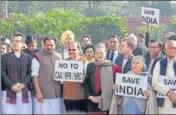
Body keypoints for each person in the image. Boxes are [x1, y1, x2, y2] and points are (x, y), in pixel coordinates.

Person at [84, 44, 122, 113]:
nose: (99, 55)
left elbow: (115, 85)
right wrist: (90, 96)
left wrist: (102, 96)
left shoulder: (113, 67)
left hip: (106, 102)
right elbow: (86, 83)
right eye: (97, 53)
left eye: (101, 53)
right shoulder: (90, 66)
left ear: (105, 53)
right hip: (92, 102)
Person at [31, 36, 64, 114]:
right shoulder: (37, 57)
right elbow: (34, 75)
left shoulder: (59, 56)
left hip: (57, 94)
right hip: (43, 94)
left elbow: (62, 73)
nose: (49, 47)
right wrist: (38, 92)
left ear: (55, 45)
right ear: (43, 45)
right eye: (47, 45)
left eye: (51, 45)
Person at [1, 33, 32, 114]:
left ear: (23, 44)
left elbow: (30, 73)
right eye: (14, 41)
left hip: (24, 91)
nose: (15, 43)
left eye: (18, 41)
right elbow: (2, 73)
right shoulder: (4, 57)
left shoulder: (28, 58)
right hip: (8, 91)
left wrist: (23, 84)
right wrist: (11, 85)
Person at [63, 41, 87, 113]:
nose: (71, 51)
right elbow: (60, 78)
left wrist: (84, 78)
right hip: (67, 95)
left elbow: (87, 78)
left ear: (79, 50)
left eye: (73, 49)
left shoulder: (84, 61)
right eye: (69, 49)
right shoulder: (64, 62)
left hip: (80, 96)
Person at [152, 40, 176, 114]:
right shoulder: (159, 63)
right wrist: (169, 92)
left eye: (175, 48)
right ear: (165, 50)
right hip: (163, 104)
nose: (173, 50)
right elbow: (155, 83)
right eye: (170, 48)